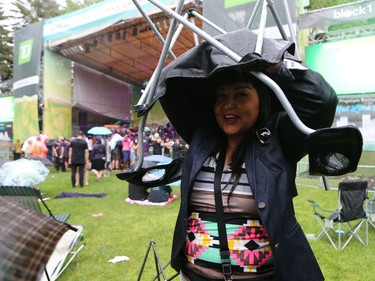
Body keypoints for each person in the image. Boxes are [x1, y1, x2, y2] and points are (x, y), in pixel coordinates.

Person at [169, 61, 338, 281]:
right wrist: (209, 60)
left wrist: (276, 68)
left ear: (262, 99)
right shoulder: (201, 137)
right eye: (221, 96)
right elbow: (172, 86)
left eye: (241, 95)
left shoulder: (279, 139)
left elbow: (322, 103)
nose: (228, 104)